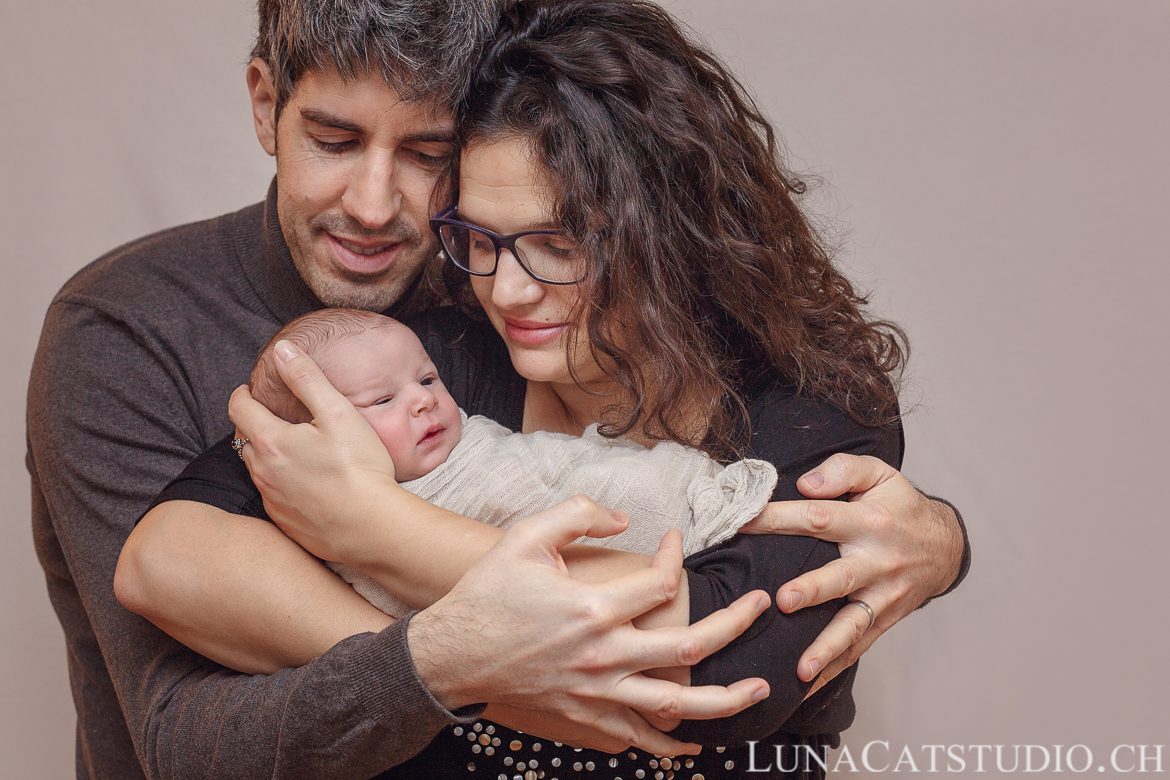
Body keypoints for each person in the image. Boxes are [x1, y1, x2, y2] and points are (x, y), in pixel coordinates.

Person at [25, 0, 967, 776]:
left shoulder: (802, 398)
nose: (373, 204)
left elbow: (712, 665)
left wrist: (375, 529)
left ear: (666, 224)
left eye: (427, 154)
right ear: (266, 105)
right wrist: (483, 662)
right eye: (335, 138)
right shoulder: (433, 345)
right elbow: (167, 605)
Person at [239, 307, 777, 616]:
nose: (423, 399)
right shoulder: (310, 519)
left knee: (638, 479)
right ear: (313, 442)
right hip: (580, 605)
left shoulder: (473, 445)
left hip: (631, 523)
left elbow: (563, 465)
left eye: (427, 379)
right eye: (382, 401)